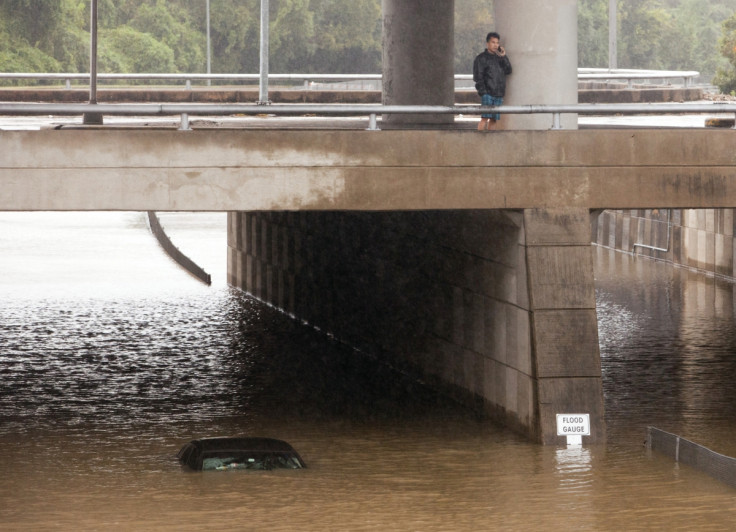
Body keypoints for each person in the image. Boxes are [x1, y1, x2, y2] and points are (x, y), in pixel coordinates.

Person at [473, 32, 512, 131]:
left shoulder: (499, 58)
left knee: (494, 119)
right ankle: (479, 139)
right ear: (487, 43)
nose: (495, 45)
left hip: (498, 93)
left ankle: (490, 140)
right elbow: (478, 77)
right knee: (485, 118)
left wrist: (504, 56)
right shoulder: (481, 58)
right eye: (493, 42)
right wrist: (484, 93)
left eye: (497, 43)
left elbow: (508, 70)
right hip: (488, 93)